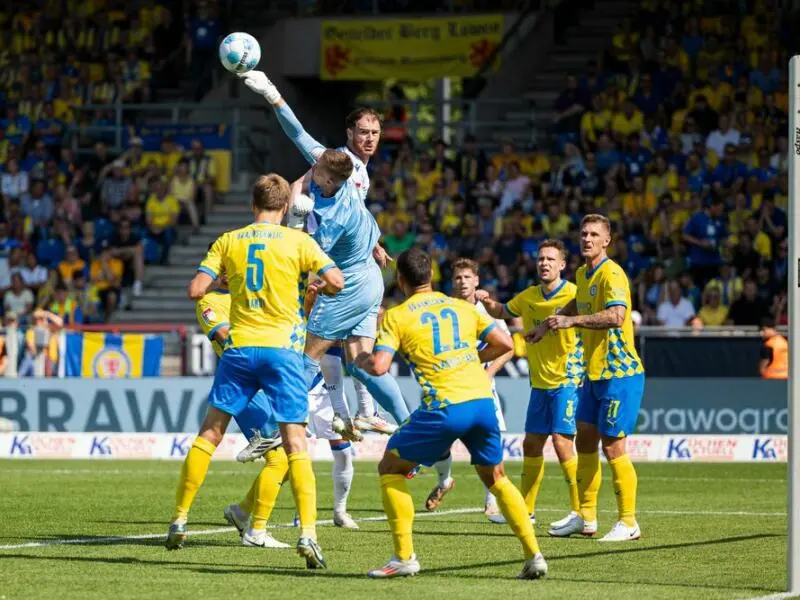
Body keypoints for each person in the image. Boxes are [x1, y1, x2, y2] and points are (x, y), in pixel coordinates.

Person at [167, 173, 344, 571]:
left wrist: (226, 276)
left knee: (209, 434)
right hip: (281, 352)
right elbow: (337, 280)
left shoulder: (229, 240)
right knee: (295, 444)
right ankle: (308, 534)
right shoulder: (300, 241)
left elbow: (197, 290)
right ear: (285, 208)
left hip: (241, 349)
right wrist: (319, 283)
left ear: (252, 205)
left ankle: (180, 518)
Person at [354, 248, 547, 580]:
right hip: (481, 402)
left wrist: (360, 359)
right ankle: (535, 556)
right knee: (497, 478)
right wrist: (470, 359)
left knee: (390, 467)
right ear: (432, 276)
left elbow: (381, 366)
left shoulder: (397, 317)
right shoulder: (461, 307)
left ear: (400, 280)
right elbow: (506, 344)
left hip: (444, 406)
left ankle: (404, 557)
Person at [238, 69, 400, 437]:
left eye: (375, 133)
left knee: (333, 349)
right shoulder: (335, 162)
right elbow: (296, 132)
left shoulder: (350, 172)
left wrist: (370, 242)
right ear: (349, 134)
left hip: (342, 264)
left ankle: (300, 426)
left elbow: (347, 210)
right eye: (364, 132)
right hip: (330, 262)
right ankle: (320, 418)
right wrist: (273, 94)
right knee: (342, 351)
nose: (370, 139)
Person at [528, 214, 644, 542]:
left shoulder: (612, 273)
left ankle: (628, 521)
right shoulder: (582, 273)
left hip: (620, 373)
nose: (587, 239)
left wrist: (573, 322)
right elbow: (575, 303)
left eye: (594, 234)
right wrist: (547, 324)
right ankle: (586, 517)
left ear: (607, 240)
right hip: (593, 373)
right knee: (585, 441)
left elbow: (616, 315)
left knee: (613, 445)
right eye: (583, 233)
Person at [476, 239, 583, 529]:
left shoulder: (575, 293)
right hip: (540, 384)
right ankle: (527, 509)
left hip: (567, 380)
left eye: (550, 259)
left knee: (562, 443)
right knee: (532, 444)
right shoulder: (529, 295)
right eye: (540, 259)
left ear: (562, 264)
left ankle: (581, 512)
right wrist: (487, 301)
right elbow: (502, 311)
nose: (544, 263)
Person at [195, 272, 288, 550]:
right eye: (222, 267)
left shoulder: (250, 298)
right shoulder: (208, 302)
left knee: (289, 457)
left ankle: (242, 512)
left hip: (267, 381)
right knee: (281, 460)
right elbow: (225, 337)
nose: (228, 272)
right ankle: (255, 531)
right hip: (244, 384)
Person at [423, 257, 516, 522]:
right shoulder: (446, 309)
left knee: (491, 440)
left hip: (481, 386)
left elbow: (507, 347)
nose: (462, 282)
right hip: (450, 385)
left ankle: (492, 500)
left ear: (476, 280)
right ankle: (444, 480)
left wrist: (488, 373)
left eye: (467, 277)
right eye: (457, 278)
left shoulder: (488, 311)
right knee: (442, 440)